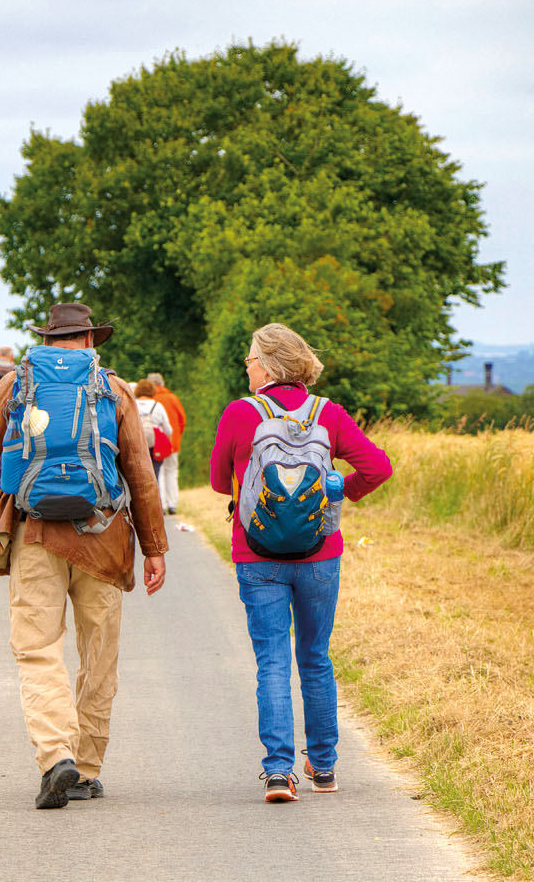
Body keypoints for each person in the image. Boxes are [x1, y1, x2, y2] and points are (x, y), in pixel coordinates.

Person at [0, 303, 168, 810]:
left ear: (49, 339)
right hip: (102, 538)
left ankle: (56, 755)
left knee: (38, 650)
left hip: (35, 537)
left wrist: (4, 508)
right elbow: (141, 477)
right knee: (98, 657)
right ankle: (86, 769)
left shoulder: (17, 384)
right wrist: (154, 549)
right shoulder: (114, 389)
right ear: (90, 340)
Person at [209, 323, 391, 803]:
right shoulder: (327, 413)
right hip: (320, 553)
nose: (246, 366)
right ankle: (325, 768)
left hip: (257, 554)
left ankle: (278, 773)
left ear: (268, 364)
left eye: (249, 358)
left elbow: (214, 481)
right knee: (315, 657)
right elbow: (377, 467)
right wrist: (338, 499)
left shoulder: (239, 413)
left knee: (272, 660)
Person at [146, 373, 186, 515]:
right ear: (162, 384)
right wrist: (176, 436)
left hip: (155, 444)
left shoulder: (151, 400)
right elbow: (182, 420)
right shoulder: (172, 398)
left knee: (159, 472)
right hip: (172, 443)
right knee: (172, 472)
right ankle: (172, 504)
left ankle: (161, 505)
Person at [132, 378, 172, 484]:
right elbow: (168, 430)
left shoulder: (132, 405)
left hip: (137, 445)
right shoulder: (158, 406)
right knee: (154, 476)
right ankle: (154, 497)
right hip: (154, 446)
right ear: (152, 391)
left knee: (138, 477)